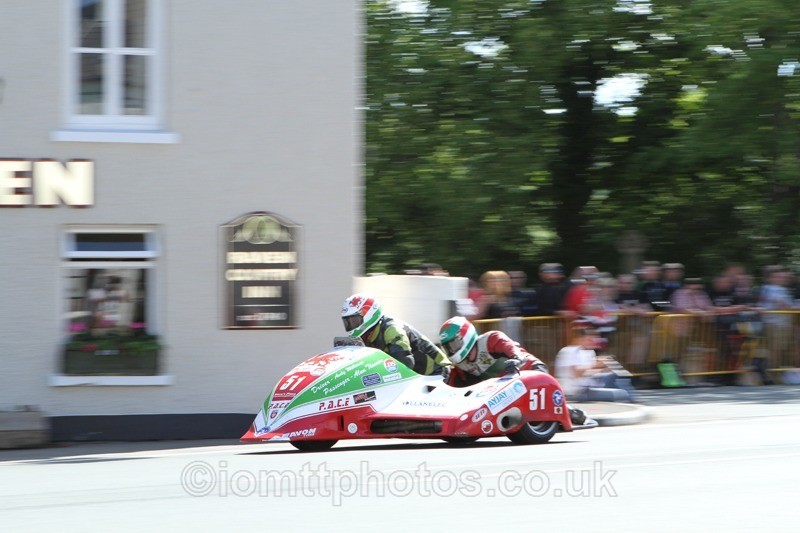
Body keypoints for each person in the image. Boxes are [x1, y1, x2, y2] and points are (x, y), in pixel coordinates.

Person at [341, 293, 449, 375]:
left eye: (354, 320)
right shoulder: (366, 335)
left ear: (368, 315)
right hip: (418, 376)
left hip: (437, 373)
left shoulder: (392, 329)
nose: (351, 325)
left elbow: (405, 363)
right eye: (348, 322)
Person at [438, 316, 548, 387]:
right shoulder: (461, 366)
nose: (451, 350)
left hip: (532, 371)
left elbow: (511, 347)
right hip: (504, 390)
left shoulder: (491, 339)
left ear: (465, 336)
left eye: (453, 345)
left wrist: (515, 359)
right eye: (448, 348)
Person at [554, 321, 635, 402]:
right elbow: (576, 374)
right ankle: (632, 401)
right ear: (581, 339)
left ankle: (633, 399)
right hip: (575, 391)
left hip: (588, 387)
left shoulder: (589, 353)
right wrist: (595, 365)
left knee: (614, 376)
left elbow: (589, 372)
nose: (593, 341)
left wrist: (605, 367)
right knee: (618, 394)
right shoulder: (569, 351)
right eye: (589, 339)